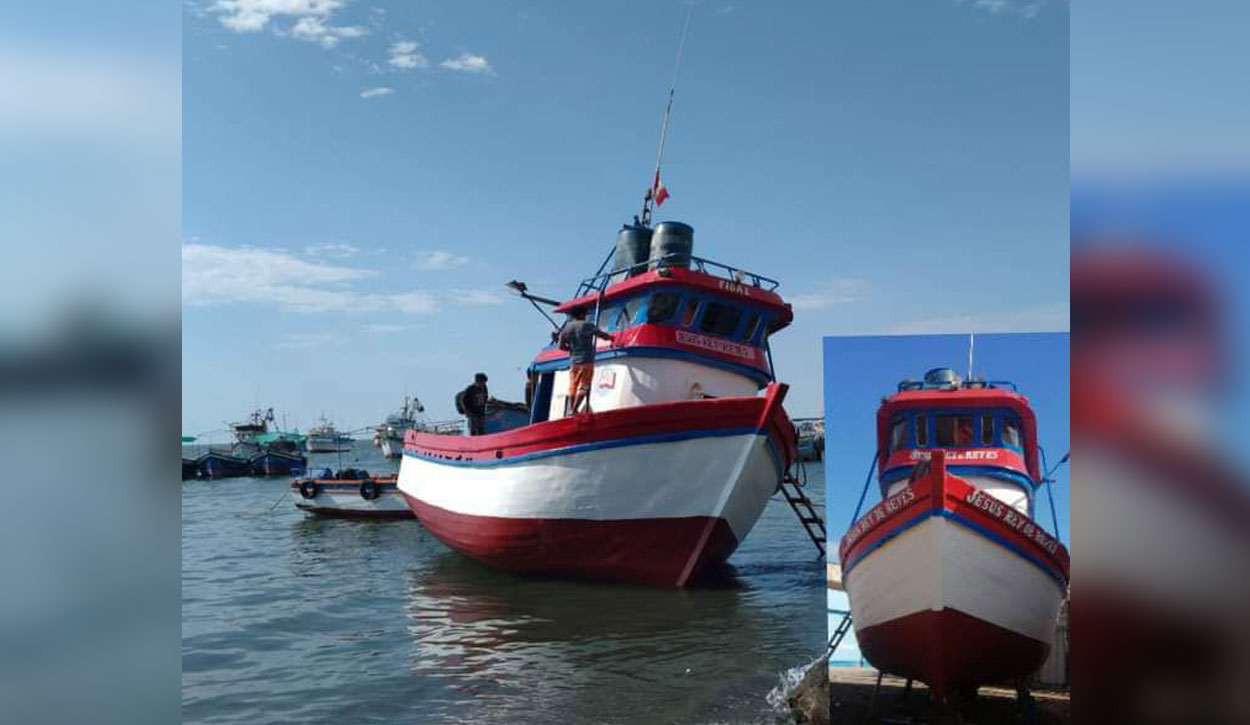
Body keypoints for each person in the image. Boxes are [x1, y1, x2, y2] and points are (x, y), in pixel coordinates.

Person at [557, 306, 615, 415]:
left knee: (573, 386)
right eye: (585, 314)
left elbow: (561, 346)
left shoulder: (567, 328)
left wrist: (571, 349)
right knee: (584, 386)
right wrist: (611, 338)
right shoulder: (587, 325)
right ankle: (574, 410)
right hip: (586, 361)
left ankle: (570, 409)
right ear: (581, 315)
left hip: (574, 362)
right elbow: (602, 335)